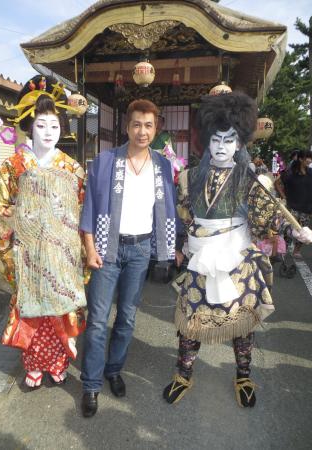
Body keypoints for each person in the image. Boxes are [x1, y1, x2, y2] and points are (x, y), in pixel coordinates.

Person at [162, 92, 312, 408]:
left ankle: (244, 375)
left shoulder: (253, 180)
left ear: (240, 142)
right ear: (207, 140)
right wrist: (179, 247)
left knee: (241, 324)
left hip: (237, 260)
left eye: (228, 140)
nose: (220, 146)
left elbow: (271, 213)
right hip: (200, 260)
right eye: (216, 139)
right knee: (190, 321)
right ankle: (183, 373)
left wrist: (294, 229)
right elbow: (184, 217)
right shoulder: (190, 177)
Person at [80, 99, 177, 417]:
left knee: (127, 319)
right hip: (107, 248)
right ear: (126, 126)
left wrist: (170, 247)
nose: (142, 131)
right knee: (96, 321)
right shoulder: (105, 160)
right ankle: (92, 383)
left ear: (156, 127)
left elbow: (169, 209)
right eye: (136, 124)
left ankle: (113, 370)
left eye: (149, 125)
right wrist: (90, 248)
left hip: (140, 250)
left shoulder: (162, 165)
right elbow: (90, 209)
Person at [0, 75, 87, 389]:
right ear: (30, 126)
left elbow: (80, 209)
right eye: (42, 125)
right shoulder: (13, 166)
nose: (49, 132)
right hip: (28, 251)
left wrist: (75, 247)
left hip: (61, 253)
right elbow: (2, 205)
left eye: (55, 126)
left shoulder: (72, 168)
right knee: (32, 311)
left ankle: (58, 363)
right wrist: (20, 228)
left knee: (59, 310)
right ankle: (33, 365)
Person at [275, 149, 312, 258]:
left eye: (311, 158)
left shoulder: (311, 173)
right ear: (301, 159)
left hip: (307, 208)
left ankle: (296, 251)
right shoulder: (290, 172)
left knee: (304, 232)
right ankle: (284, 249)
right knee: (289, 230)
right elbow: (277, 183)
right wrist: (283, 196)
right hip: (292, 207)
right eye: (308, 157)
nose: (310, 160)